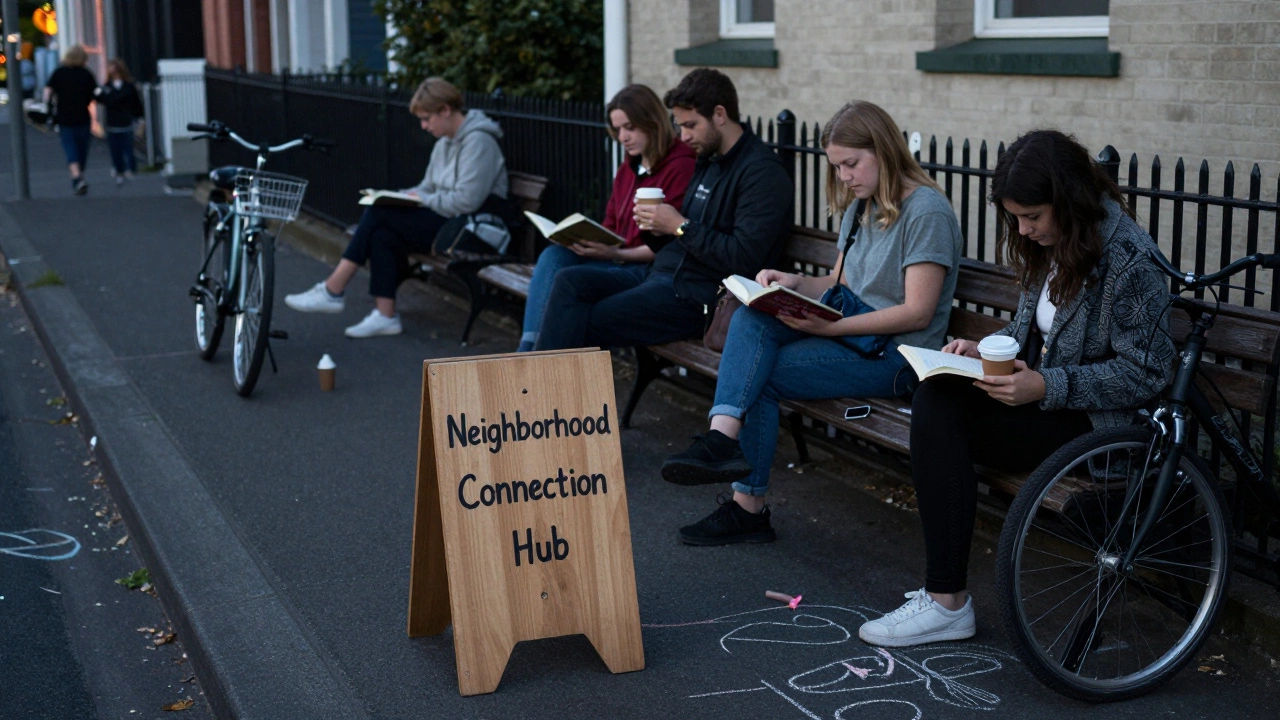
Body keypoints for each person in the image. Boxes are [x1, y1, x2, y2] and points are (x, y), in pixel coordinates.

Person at [858, 130, 1176, 648]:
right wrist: (983, 348)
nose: (1024, 231)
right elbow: (1030, 329)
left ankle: (945, 603)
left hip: (1098, 424)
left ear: (1068, 201)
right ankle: (946, 602)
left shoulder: (1128, 260)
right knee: (936, 399)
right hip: (1042, 398)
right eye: (1017, 219)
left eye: (1032, 217)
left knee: (941, 422)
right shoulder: (1054, 243)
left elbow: (1147, 373)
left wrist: (1046, 385)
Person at [661, 100, 964, 546]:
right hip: (852, 335)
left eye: (851, 164)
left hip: (896, 355)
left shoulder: (926, 212)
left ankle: (746, 506)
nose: (844, 176)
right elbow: (836, 281)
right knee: (752, 313)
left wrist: (829, 329)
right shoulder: (861, 206)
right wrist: (795, 282)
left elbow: (917, 312)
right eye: (837, 166)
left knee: (756, 377)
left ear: (884, 150)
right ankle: (720, 440)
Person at [532, 68, 793, 351]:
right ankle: (543, 386)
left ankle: (539, 389)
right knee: (569, 282)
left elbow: (744, 258)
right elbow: (680, 237)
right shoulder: (709, 160)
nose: (684, 136)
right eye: (680, 126)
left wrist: (679, 226)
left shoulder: (762, 173)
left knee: (583, 320)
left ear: (720, 114)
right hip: (661, 277)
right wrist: (654, 227)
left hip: (698, 298)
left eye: (691, 125)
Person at [284, 77, 510, 338]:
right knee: (382, 233)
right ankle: (385, 315)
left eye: (427, 119)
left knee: (379, 214)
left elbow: (466, 201)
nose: (424, 126)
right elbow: (428, 186)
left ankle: (333, 289)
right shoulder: (445, 143)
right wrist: (399, 196)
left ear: (445, 110)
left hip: (472, 230)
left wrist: (419, 200)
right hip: (450, 222)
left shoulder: (480, 142)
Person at [516, 84, 696, 351]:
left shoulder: (681, 164)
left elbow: (669, 244)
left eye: (630, 128)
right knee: (555, 256)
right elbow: (611, 221)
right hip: (615, 258)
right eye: (618, 129)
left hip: (641, 267)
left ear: (652, 123)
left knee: (569, 288)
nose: (623, 137)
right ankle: (528, 348)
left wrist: (614, 254)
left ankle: (535, 360)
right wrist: (585, 239)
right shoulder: (630, 165)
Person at [44, 45, 97, 195]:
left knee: (70, 147)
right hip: (82, 116)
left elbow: (48, 91)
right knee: (82, 148)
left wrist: (48, 108)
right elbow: (94, 93)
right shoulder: (86, 74)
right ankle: (78, 176)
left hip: (64, 116)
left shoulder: (59, 73)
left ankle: (76, 177)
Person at [94, 59, 144, 185]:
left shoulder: (126, 86)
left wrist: (139, 117)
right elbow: (98, 98)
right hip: (113, 122)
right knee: (115, 149)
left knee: (127, 147)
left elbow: (136, 103)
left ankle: (129, 168)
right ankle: (120, 169)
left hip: (124, 121)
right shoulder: (107, 87)